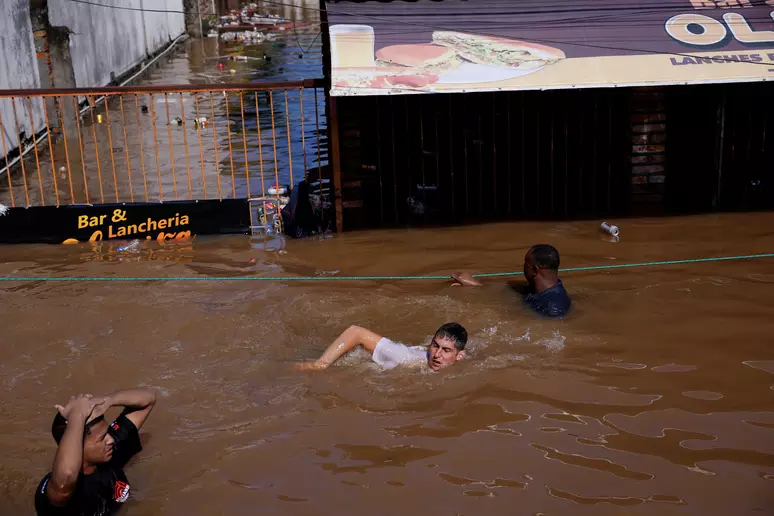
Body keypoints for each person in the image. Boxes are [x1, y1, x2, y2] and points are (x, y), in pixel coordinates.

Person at [34, 387, 157, 516]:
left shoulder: (107, 451)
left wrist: (107, 401)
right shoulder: (61, 490)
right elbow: (67, 473)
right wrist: (78, 415)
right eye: (102, 438)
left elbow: (148, 399)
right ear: (78, 445)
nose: (110, 439)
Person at [453, 244, 571, 318]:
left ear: (534, 270)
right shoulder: (536, 289)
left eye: (526, 263)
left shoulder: (553, 307)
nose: (523, 266)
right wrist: (475, 284)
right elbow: (506, 286)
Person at [295, 322, 468, 371]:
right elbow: (356, 332)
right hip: (349, 362)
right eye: (435, 346)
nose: (436, 355)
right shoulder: (404, 357)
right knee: (297, 365)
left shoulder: (462, 362)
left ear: (460, 356)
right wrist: (320, 365)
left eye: (445, 350)